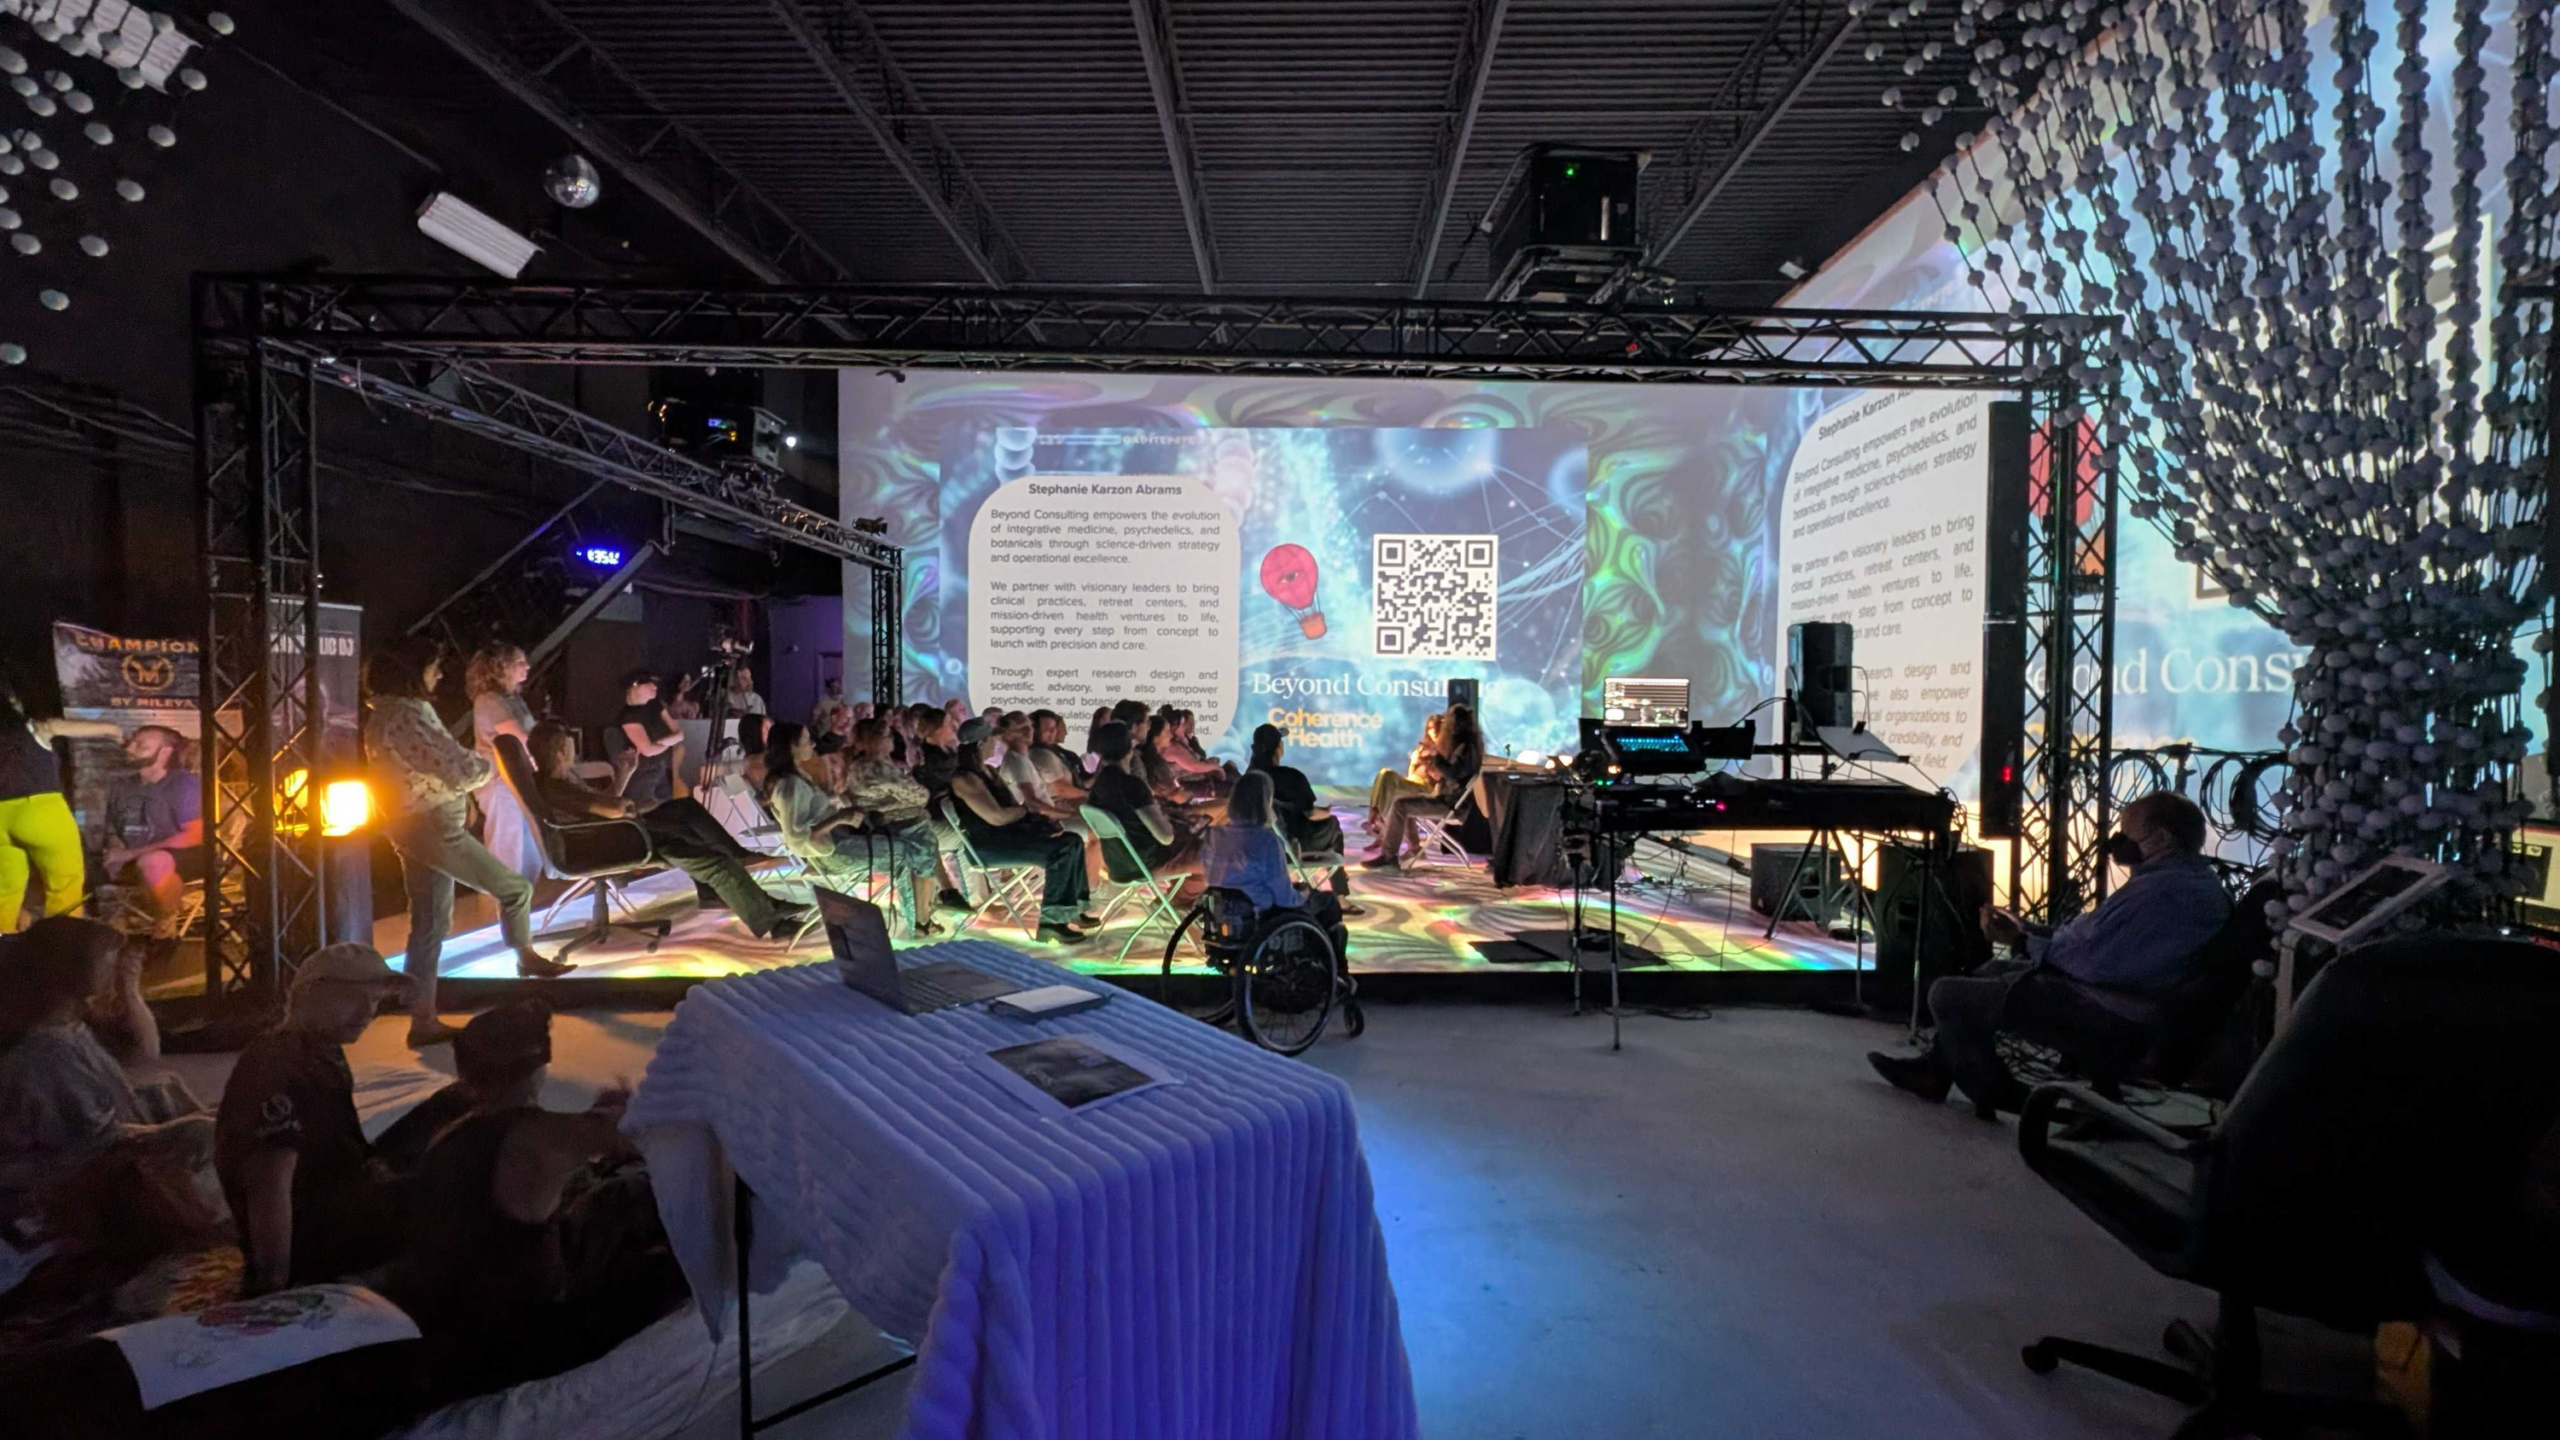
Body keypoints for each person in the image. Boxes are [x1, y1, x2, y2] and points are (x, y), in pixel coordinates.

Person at [382, 1000, 684, 1407]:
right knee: (656, 1245)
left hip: (448, 1311)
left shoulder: (451, 1127)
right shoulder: (541, 1134)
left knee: (600, 1194)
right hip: (516, 1329)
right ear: (538, 1067)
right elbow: (638, 1138)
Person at [1867, 792, 2233, 1118]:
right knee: (1992, 969)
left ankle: (1999, 1091)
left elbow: (2092, 962)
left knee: (1946, 994)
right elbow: (2095, 946)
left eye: (2127, 832)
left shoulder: (2161, 893)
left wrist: (2024, 941)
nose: (2117, 841)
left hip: (2110, 1010)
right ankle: (1936, 1072)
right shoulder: (2185, 883)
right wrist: (2030, 933)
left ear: (2161, 838)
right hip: (2116, 997)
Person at [367, 637, 570, 1050]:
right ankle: (525, 958)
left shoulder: (383, 717)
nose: (439, 675)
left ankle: (422, 1019)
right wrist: (489, 767)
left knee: (429, 924)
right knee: (515, 887)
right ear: (412, 672)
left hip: (412, 823)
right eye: (432, 667)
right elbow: (458, 768)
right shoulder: (407, 715)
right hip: (433, 825)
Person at [215, 943, 416, 1294]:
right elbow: (270, 1183)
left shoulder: (320, 1049)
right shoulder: (275, 1067)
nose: (368, 1011)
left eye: (373, 1000)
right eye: (353, 998)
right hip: (321, 1239)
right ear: (309, 994)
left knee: (450, 1109)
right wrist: (274, 1284)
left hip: (340, 1197)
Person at [0, 918, 210, 1239]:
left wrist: (130, 993)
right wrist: (190, 1127)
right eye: (108, 960)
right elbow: (99, 1144)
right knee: (206, 1132)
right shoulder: (44, 1054)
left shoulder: (69, 1026)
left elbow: (147, 1051)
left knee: (172, 1089)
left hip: (96, 1156)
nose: (116, 965)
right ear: (77, 972)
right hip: (66, 1186)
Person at [527, 723, 811, 941]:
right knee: (707, 856)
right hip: (613, 840)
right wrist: (625, 807)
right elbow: (611, 809)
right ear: (561, 751)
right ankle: (769, 918)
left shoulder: (560, 781)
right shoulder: (558, 786)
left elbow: (604, 806)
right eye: (569, 746)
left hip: (613, 835)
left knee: (689, 824)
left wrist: (625, 775)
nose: (574, 751)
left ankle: (758, 902)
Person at [948, 717, 1093, 944]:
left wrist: (1024, 814)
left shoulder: (987, 772)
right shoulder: (965, 779)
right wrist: (1024, 811)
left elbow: (1007, 813)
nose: (995, 744)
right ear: (980, 744)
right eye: (990, 740)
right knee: (1062, 849)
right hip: (989, 846)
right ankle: (1052, 922)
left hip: (1007, 837)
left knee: (1072, 840)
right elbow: (996, 817)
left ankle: (1072, 909)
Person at [0, 674, 120, 930]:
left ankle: (3, 945)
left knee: (5, 889)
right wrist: (112, 729)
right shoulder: (29, 729)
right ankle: (62, 944)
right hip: (39, 809)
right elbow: (54, 726)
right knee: (64, 883)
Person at [1204, 772, 1349, 974]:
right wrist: (1304, 893)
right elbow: (1284, 898)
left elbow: (1210, 876)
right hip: (1260, 913)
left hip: (1224, 911)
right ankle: (1336, 971)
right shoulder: (1267, 840)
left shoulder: (1214, 835)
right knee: (1328, 902)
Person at [835, 718, 943, 936]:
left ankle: (931, 906)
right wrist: (916, 797)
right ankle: (922, 919)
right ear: (874, 740)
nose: (892, 738)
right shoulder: (875, 767)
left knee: (926, 844)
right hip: (896, 824)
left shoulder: (864, 765)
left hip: (887, 822)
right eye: (887, 735)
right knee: (925, 850)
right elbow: (920, 794)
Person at [100, 725, 203, 935]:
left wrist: (129, 853)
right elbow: (113, 828)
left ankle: (166, 918)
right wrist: (114, 850)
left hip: (180, 856)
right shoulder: (121, 785)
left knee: (153, 862)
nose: (130, 748)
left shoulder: (182, 784)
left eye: (141, 746)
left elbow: (194, 835)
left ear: (164, 753)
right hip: (133, 856)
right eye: (132, 743)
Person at [464, 643, 545, 885]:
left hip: (518, 781)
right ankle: (503, 910)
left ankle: (521, 907)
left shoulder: (511, 699)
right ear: (501, 668)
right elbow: (520, 737)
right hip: (502, 784)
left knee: (528, 847)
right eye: (520, 662)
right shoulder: (490, 701)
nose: (527, 666)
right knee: (509, 848)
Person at [1365, 703, 1483, 868]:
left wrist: (1436, 758)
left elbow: (1453, 774)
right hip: (1446, 799)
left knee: (1401, 805)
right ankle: (1402, 848)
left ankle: (1389, 856)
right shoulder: (1466, 747)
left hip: (1450, 804)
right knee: (1402, 800)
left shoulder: (1466, 749)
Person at [1087, 721, 1200, 885]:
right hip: (1147, 863)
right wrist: (1172, 824)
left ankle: (1174, 904)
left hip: (1117, 866)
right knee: (1214, 855)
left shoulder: (1098, 787)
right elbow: (1166, 837)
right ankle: (1179, 903)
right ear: (1130, 749)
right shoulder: (1132, 785)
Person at [1249, 723, 1345, 858]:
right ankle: (1338, 878)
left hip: (1261, 847)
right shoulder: (1291, 777)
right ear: (1279, 748)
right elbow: (1311, 813)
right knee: (1333, 823)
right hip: (1295, 846)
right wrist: (1327, 812)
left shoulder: (1249, 779)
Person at [1366, 712, 1446, 835]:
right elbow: (1411, 774)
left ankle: (1379, 817)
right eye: (1429, 728)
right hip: (1413, 781)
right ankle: (1375, 814)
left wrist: (1426, 763)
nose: (1431, 731)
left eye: (1434, 728)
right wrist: (1414, 762)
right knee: (1384, 774)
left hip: (1426, 787)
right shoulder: (1423, 747)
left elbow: (1439, 777)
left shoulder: (1444, 750)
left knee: (1388, 776)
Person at [614, 670, 685, 807]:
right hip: (642, 773)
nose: (655, 687)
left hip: (661, 767)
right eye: (650, 684)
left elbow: (679, 734)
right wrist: (669, 742)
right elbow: (647, 750)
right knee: (643, 811)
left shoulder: (655, 705)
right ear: (636, 685)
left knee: (666, 808)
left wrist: (659, 743)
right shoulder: (628, 715)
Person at [908, 704, 960, 797]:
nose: (954, 727)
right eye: (948, 723)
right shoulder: (935, 760)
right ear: (936, 728)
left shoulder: (944, 752)